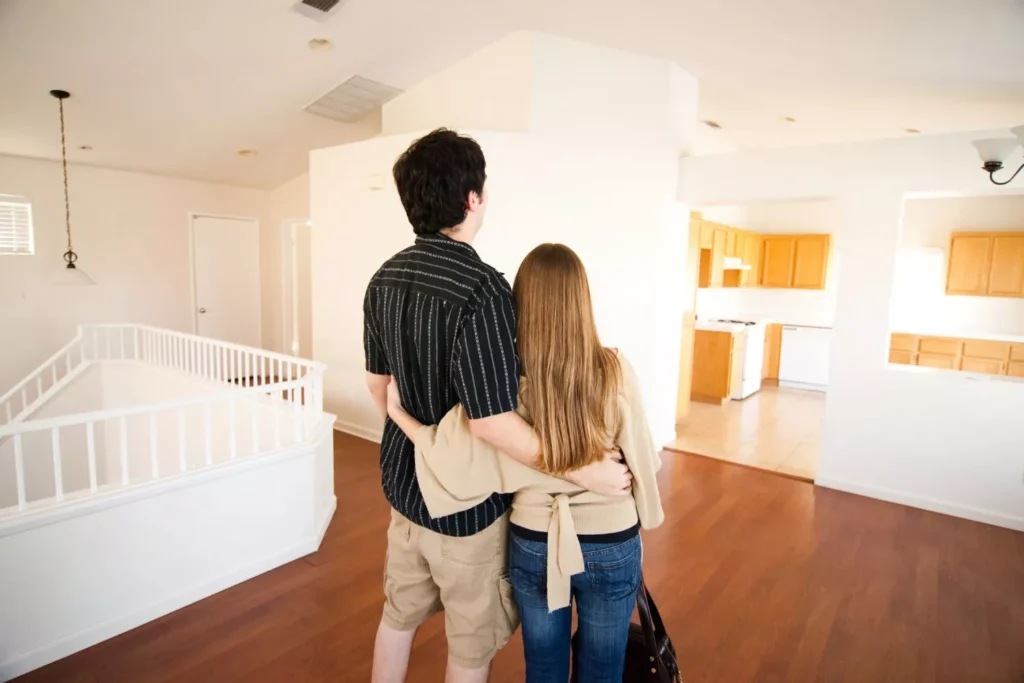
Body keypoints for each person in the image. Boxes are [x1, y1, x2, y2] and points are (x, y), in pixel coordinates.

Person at [363, 129, 633, 683]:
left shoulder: (382, 279)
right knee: (470, 645)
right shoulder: (482, 290)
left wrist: (407, 421)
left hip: (402, 494)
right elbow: (491, 422)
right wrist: (587, 470)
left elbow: (379, 386)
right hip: (464, 511)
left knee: (396, 618)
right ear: (471, 199)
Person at [385, 243, 665, 683]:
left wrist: (398, 414)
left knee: (544, 669)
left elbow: (448, 453)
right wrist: (643, 506)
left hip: (534, 541)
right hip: (612, 542)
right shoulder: (614, 369)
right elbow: (645, 461)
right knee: (604, 671)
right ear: (582, 300)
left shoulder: (505, 385)